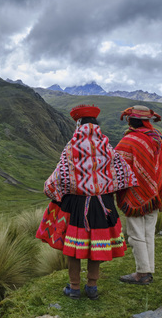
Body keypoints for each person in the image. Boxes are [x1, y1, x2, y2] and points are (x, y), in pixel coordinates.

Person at [36, 104, 138, 300]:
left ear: (78, 124)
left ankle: (74, 287)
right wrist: (103, 185)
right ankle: (92, 286)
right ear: (96, 125)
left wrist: (51, 188)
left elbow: (60, 178)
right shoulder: (107, 148)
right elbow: (124, 172)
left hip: (76, 204)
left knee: (74, 247)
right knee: (96, 245)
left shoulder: (72, 147)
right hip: (103, 204)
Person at [115, 105, 162, 285]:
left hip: (135, 196)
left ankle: (142, 273)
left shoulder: (129, 141)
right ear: (146, 121)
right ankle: (148, 270)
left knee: (136, 233)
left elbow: (117, 168)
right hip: (155, 195)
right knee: (148, 233)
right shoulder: (158, 140)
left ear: (130, 120)